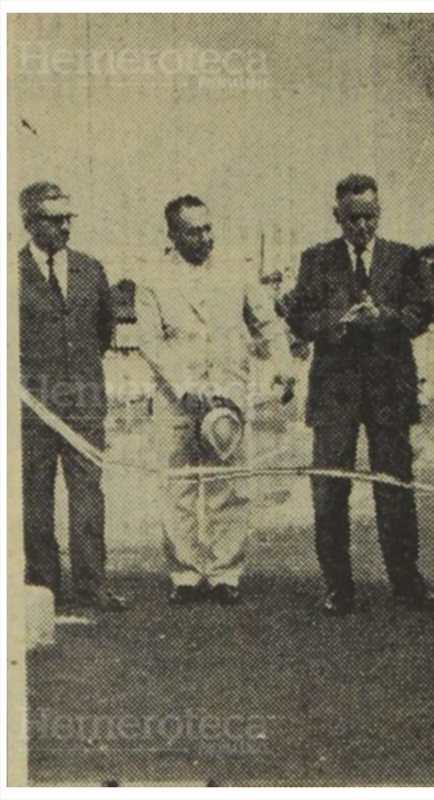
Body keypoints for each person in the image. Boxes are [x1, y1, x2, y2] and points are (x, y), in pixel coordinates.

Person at [285, 174, 434, 616]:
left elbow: (422, 312)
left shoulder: (404, 258)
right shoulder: (316, 259)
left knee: (394, 489)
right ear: (336, 216)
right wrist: (340, 321)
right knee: (330, 491)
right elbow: (299, 317)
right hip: (334, 392)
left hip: (389, 391)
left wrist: (384, 318)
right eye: (352, 218)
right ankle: (338, 586)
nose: (362, 226)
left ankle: (406, 582)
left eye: (370, 216)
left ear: (380, 213)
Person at [137, 195, 295, 606]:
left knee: (230, 484)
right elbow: (150, 342)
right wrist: (186, 388)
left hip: (229, 395)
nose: (205, 238)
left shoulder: (236, 269)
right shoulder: (152, 279)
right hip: (177, 400)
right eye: (193, 231)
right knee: (178, 485)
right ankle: (185, 574)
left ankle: (226, 572)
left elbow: (266, 323)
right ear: (172, 235)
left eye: (208, 228)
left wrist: (283, 366)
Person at [17, 182, 128, 612]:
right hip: (32, 408)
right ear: (29, 222)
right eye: (54, 219)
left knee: (87, 496)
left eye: (68, 218)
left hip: (83, 402)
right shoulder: (11, 271)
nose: (65, 227)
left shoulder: (90, 269)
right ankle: (43, 585)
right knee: (35, 497)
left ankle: (92, 585)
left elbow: (104, 330)